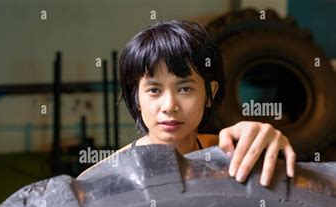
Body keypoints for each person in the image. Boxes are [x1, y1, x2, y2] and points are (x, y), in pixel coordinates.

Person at [78, 20, 296, 186]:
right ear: (136, 98)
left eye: (185, 89)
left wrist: (265, 141)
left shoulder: (232, 154)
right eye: (154, 90)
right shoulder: (103, 177)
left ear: (209, 93)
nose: (169, 106)